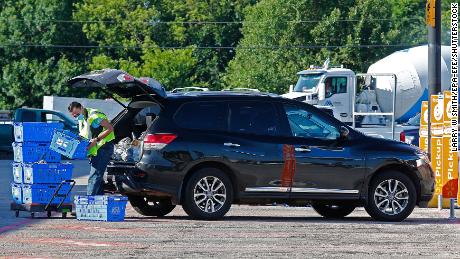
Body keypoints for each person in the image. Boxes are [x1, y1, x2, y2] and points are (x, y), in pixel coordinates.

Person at [68, 102, 115, 195]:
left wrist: (96, 140)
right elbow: (85, 135)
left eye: (77, 114)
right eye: (74, 116)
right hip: (95, 150)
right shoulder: (82, 119)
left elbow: (110, 128)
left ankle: (88, 202)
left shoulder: (94, 116)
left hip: (103, 147)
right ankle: (98, 204)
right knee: (98, 178)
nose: (77, 117)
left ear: (81, 107)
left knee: (94, 176)